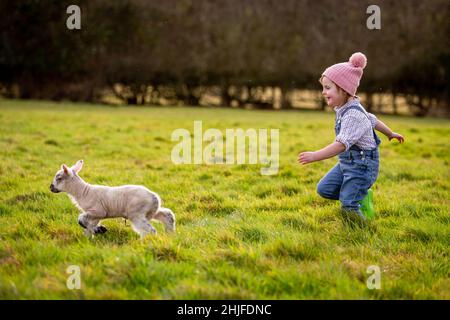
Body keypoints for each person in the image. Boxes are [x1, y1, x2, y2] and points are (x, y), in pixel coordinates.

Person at [298, 52, 404, 221]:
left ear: (344, 89)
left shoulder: (353, 115)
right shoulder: (346, 108)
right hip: (347, 163)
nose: (323, 92)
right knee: (324, 189)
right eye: (323, 87)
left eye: (328, 87)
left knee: (348, 206)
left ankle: (363, 229)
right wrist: (390, 133)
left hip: (362, 166)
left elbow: (341, 144)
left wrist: (315, 156)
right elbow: (373, 120)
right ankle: (358, 195)